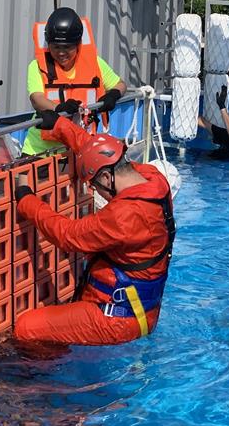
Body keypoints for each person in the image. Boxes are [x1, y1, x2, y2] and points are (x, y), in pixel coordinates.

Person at [12, 110, 174, 348]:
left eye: (95, 185)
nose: (96, 192)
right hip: (142, 309)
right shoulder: (154, 179)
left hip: (118, 320)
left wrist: (26, 200)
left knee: (26, 327)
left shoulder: (124, 216)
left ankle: (46, 382)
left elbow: (67, 235)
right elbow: (99, 152)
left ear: (107, 179)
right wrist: (61, 126)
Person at [23, 7, 126, 157]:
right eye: (55, 47)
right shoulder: (36, 66)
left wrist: (113, 95)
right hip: (40, 150)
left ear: (78, 45)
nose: (61, 53)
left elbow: (121, 84)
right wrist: (59, 108)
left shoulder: (95, 63)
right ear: (48, 44)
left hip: (79, 148)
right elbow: (36, 99)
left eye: (67, 47)